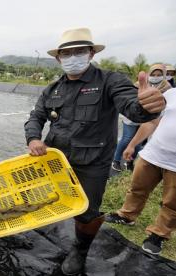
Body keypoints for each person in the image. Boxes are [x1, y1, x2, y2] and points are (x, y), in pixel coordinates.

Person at [24, 27, 166, 275]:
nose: (73, 57)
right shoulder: (52, 89)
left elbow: (132, 106)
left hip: (93, 163)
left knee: (87, 212)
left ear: (91, 53)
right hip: (56, 160)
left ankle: (80, 249)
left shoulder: (111, 80)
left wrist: (147, 107)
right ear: (58, 58)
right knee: (50, 199)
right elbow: (36, 116)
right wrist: (34, 138)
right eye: (66, 53)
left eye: (79, 51)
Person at [105, 87, 176, 255]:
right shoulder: (170, 93)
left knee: (172, 203)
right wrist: (132, 145)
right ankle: (127, 216)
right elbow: (152, 122)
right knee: (137, 189)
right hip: (152, 154)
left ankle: (159, 234)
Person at [112, 64, 172, 172]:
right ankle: (116, 161)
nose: (156, 76)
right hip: (131, 118)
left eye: (159, 75)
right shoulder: (138, 85)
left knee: (139, 142)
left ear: (163, 75)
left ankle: (129, 162)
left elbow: (153, 121)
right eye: (153, 74)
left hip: (149, 121)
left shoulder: (168, 89)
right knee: (126, 138)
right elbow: (128, 100)